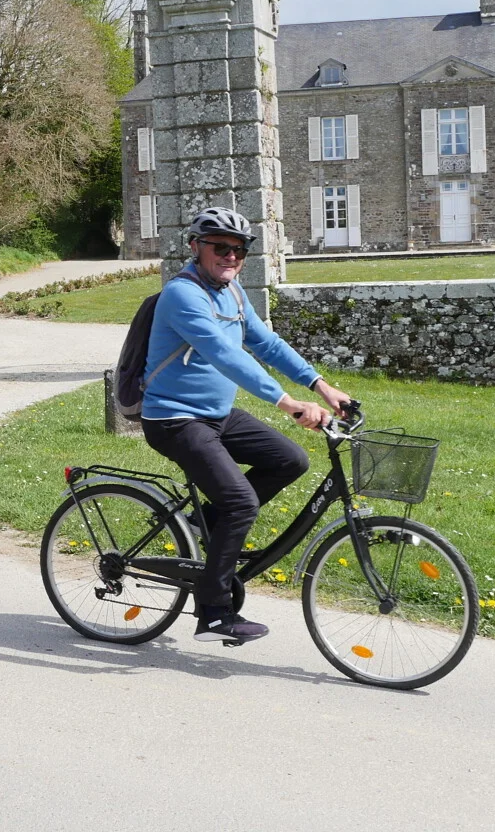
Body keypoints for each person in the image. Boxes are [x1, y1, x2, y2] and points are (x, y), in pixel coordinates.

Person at [141, 206, 353, 644]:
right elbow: (226, 355)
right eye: (221, 247)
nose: (231, 257)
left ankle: (209, 522)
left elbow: (266, 344)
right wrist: (288, 403)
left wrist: (321, 386)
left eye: (239, 251)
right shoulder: (182, 295)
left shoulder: (233, 293)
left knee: (290, 459)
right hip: (174, 418)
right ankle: (214, 612)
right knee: (241, 502)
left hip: (217, 415)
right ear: (196, 247)